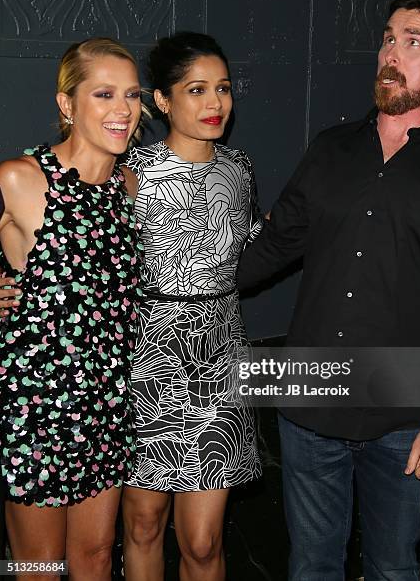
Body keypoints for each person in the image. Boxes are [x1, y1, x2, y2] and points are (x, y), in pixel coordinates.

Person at [238, 0, 420, 580]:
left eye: (413, 42)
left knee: (393, 566)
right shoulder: (331, 148)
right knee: (311, 563)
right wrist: (147, 267)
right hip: (307, 395)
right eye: (389, 37)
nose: (391, 54)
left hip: (405, 413)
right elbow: (263, 253)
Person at [0, 37, 143, 580]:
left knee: (97, 558)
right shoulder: (19, 177)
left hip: (105, 403)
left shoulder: (126, 187)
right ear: (67, 105)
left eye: (131, 95)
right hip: (36, 408)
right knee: (40, 568)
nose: (122, 110)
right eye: (103, 94)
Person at [121, 32, 262, 581]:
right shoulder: (129, 171)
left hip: (220, 358)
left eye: (223, 89)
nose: (214, 104)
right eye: (196, 89)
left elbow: (252, 247)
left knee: (203, 543)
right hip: (145, 357)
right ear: (162, 100)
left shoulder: (240, 168)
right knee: (143, 525)